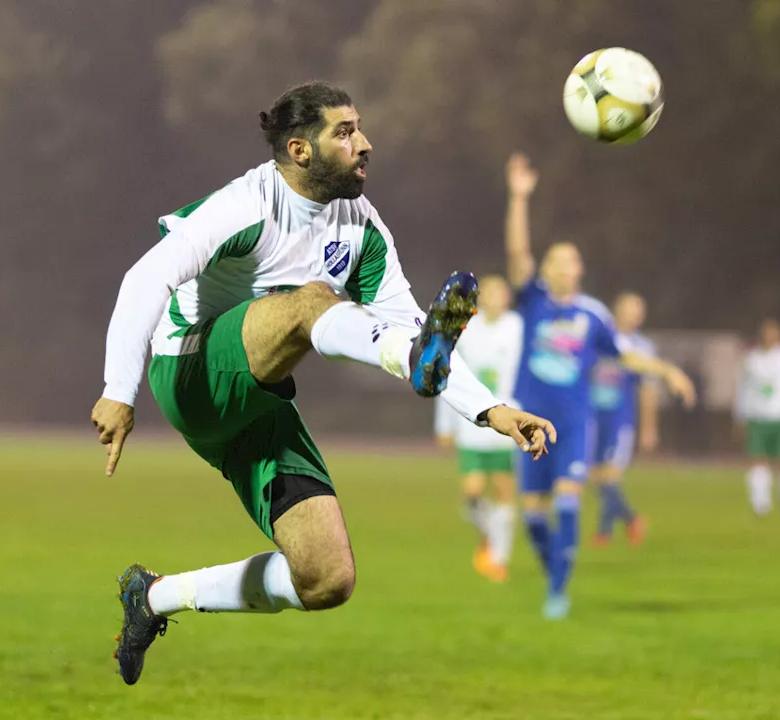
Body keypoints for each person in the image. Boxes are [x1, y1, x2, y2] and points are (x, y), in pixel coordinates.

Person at [91, 83, 556, 685]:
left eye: (358, 127)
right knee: (312, 303)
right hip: (191, 370)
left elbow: (414, 326)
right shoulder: (248, 205)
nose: (364, 143)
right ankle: (403, 366)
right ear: (299, 149)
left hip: (258, 400)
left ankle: (151, 598)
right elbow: (144, 278)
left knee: (325, 578)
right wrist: (118, 389)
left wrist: (490, 409)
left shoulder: (361, 225)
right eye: (344, 131)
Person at [504, 153, 696, 619]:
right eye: (558, 259)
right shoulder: (533, 302)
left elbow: (623, 353)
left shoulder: (593, 315)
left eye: (572, 260)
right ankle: (554, 569)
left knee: (568, 503)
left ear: (579, 270)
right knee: (532, 516)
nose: (567, 266)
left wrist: (664, 370)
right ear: (546, 270)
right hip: (529, 421)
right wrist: (518, 198)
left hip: (573, 424)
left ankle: (558, 590)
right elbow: (516, 255)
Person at [433, 275, 524, 582]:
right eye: (491, 292)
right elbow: (447, 372)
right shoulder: (466, 330)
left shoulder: (516, 326)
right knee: (471, 494)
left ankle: (499, 557)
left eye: (502, 291)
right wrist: (444, 423)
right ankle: (489, 536)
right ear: (481, 297)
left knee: (503, 489)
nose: (497, 297)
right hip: (472, 423)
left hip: (506, 420)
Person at [589, 292, 660, 547]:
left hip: (621, 420)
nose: (635, 315)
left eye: (639, 310)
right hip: (594, 417)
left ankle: (606, 531)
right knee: (598, 476)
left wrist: (649, 428)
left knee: (609, 476)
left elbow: (648, 391)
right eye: (630, 308)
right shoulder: (600, 339)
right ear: (616, 310)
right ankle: (629, 521)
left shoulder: (642, 347)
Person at [735, 319, 780, 515]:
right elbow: (744, 388)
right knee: (758, 460)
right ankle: (761, 504)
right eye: (766, 333)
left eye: (773, 332)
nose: (769, 336)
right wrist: (741, 415)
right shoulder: (752, 358)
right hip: (758, 417)